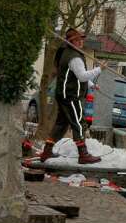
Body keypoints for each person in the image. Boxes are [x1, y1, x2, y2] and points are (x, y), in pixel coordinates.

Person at [39, 28, 102, 165]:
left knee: (61, 124)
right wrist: (99, 69)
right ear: (71, 42)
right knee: (79, 122)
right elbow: (82, 75)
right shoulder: (74, 57)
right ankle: (83, 154)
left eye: (81, 39)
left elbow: (76, 75)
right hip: (71, 96)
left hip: (63, 94)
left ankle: (47, 151)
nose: (80, 42)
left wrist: (91, 85)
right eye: (77, 40)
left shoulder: (66, 53)